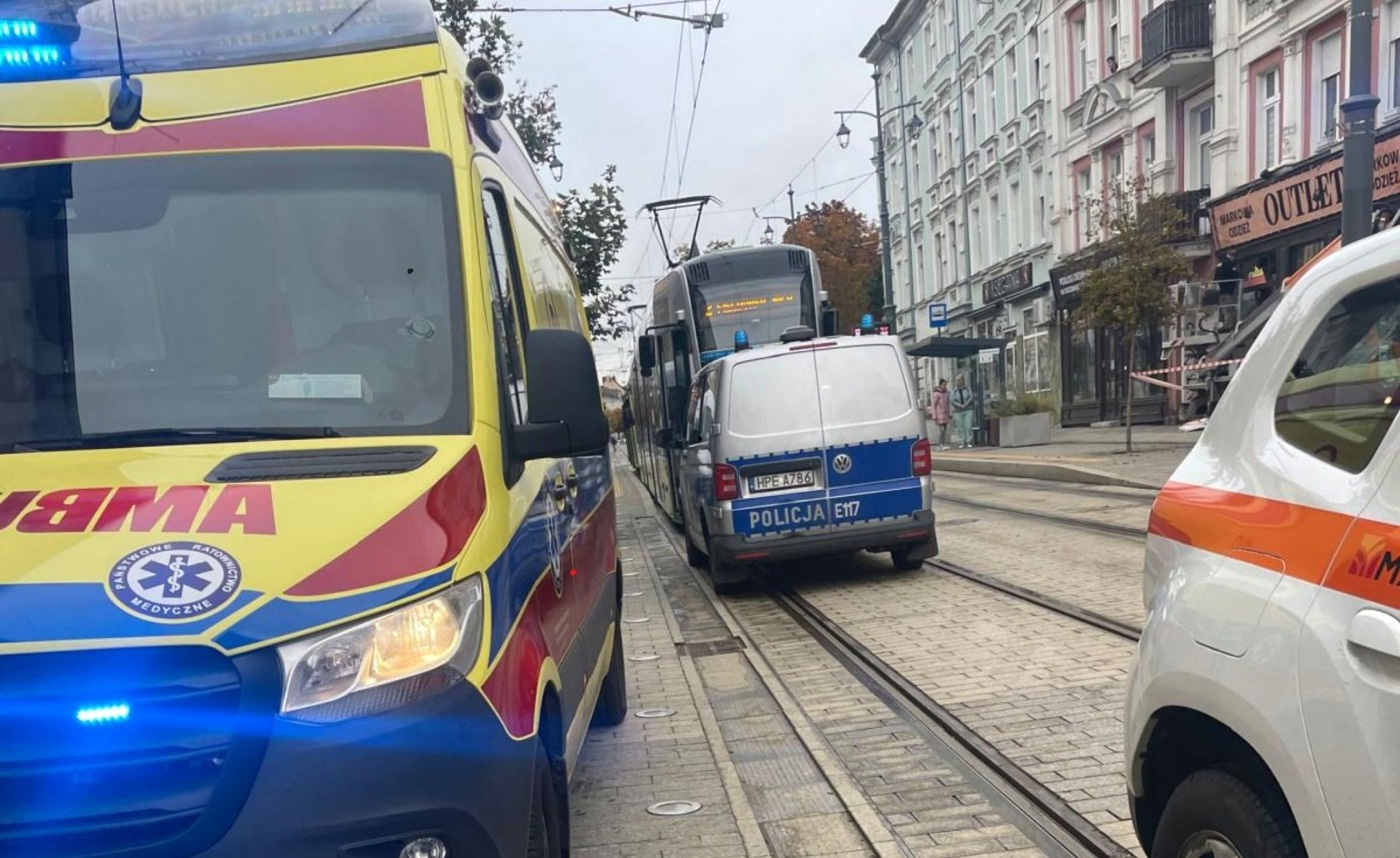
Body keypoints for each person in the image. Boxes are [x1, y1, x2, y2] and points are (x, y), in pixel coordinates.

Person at [951, 376, 975, 448]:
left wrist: (966, 404)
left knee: (968, 425)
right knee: (960, 427)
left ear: (963, 381)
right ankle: (961, 441)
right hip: (957, 411)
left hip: (968, 409)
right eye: (958, 380)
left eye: (961, 380)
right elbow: (952, 400)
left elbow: (971, 397)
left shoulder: (968, 389)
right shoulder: (954, 390)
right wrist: (960, 405)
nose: (959, 382)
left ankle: (969, 441)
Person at [928, 379, 951, 449]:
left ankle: (943, 443)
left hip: (945, 415)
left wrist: (950, 413)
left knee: (944, 429)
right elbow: (933, 405)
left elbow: (948, 404)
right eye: (943, 384)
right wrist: (934, 415)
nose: (944, 386)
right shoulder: (937, 394)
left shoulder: (946, 393)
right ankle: (939, 444)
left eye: (945, 385)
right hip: (939, 415)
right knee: (942, 429)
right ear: (940, 385)